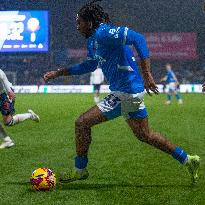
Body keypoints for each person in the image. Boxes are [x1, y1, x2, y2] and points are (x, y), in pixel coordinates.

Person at [43, 0, 200, 184]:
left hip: (126, 92)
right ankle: (188, 159)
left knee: (82, 123)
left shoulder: (103, 32)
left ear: (90, 22)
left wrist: (147, 74)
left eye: (80, 22)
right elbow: (90, 64)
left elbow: (138, 38)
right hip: (128, 93)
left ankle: (80, 170)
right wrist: (59, 73)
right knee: (145, 135)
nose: (77, 27)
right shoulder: (93, 41)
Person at [0, 69, 40, 149]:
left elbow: (2, 76)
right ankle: (8, 141)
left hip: (5, 94)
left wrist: (9, 91)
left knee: (8, 122)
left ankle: (30, 115)